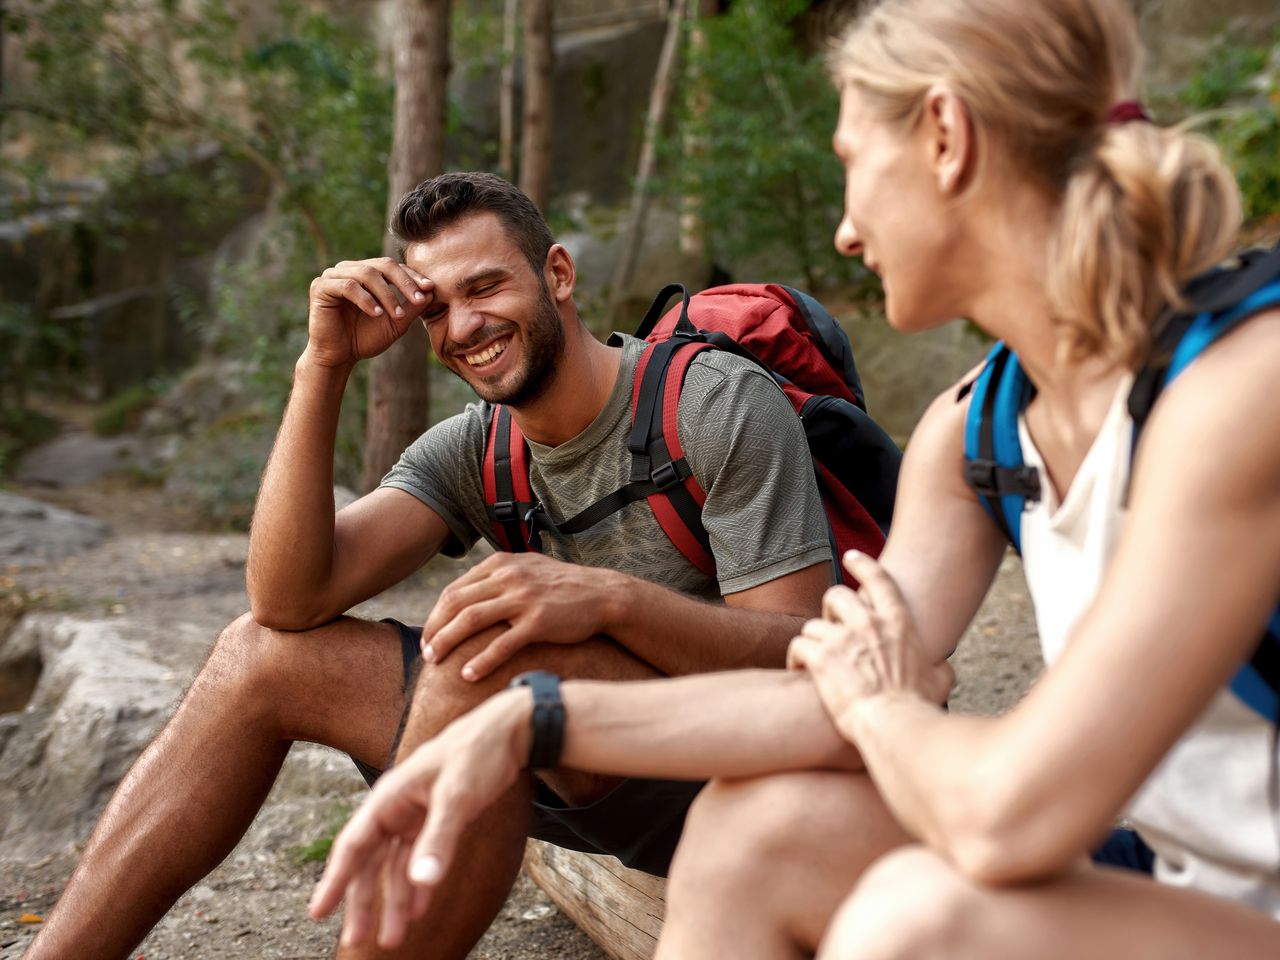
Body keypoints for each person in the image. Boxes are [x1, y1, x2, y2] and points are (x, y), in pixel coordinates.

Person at [309, 1, 1280, 957]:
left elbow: (999, 812)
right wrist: (532, 718)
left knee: (914, 916)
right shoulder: (973, 425)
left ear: (942, 135)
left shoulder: (1236, 389)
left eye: (851, 166)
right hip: (1172, 881)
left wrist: (881, 708)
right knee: (754, 829)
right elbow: (824, 692)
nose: (846, 232)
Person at [24, 172, 837, 960]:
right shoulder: (477, 445)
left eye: (485, 287)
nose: (465, 326)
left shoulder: (713, 403)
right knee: (256, 655)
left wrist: (609, 601)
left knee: (492, 654)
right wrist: (324, 366)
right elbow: (287, 598)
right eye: (436, 309)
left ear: (557, 273)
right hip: (568, 766)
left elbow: (801, 661)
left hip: (732, 776)